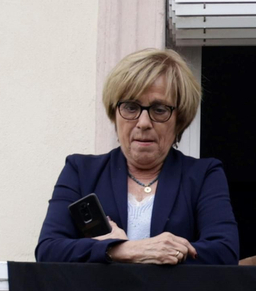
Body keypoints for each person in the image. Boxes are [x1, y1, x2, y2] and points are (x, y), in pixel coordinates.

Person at [35, 49, 238, 265]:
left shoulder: (203, 175)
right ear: (114, 113)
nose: (143, 123)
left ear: (180, 119)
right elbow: (49, 250)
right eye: (131, 107)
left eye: (159, 109)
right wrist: (127, 250)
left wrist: (159, 254)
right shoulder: (81, 170)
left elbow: (224, 253)